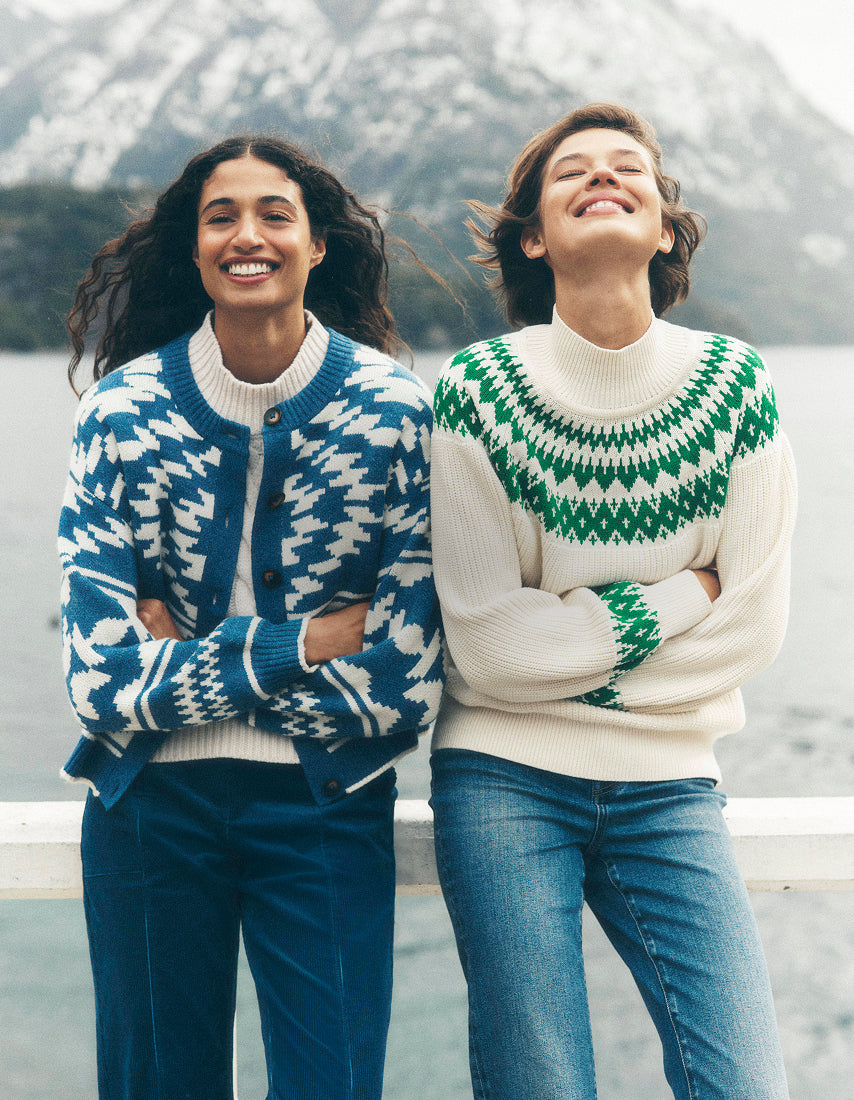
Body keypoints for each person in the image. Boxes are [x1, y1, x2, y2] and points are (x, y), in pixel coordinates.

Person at [58, 135, 445, 1100]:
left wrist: (184, 660)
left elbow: (401, 686)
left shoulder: (397, 414)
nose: (248, 234)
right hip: (150, 808)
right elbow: (101, 685)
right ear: (194, 250)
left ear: (317, 246)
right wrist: (305, 641)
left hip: (325, 804)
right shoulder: (118, 415)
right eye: (221, 215)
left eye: (276, 213)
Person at [428, 103, 795, 1099]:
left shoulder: (733, 384)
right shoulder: (475, 387)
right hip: (502, 779)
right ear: (534, 237)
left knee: (744, 1083)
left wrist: (568, 659)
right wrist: (685, 590)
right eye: (570, 171)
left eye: (627, 166)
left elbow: (752, 626)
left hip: (670, 787)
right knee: (539, 1080)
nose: (602, 175)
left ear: (664, 226)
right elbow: (489, 646)